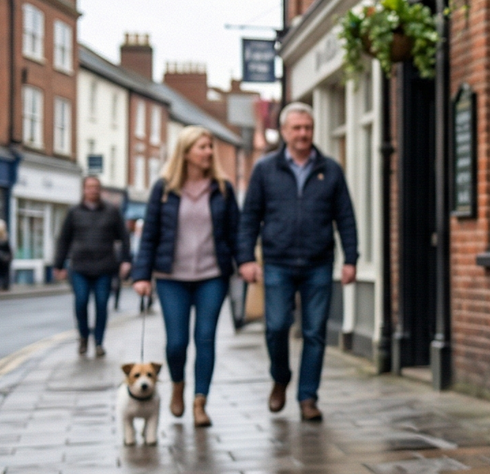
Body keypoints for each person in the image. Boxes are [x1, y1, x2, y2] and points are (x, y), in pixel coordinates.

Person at [236, 103, 357, 422]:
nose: (303, 133)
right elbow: (250, 217)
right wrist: (246, 257)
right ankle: (280, 377)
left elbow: (345, 217)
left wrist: (351, 259)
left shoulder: (330, 169)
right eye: (297, 128)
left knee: (315, 332)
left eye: (308, 127)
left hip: (319, 262)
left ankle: (308, 397)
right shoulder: (265, 169)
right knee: (276, 327)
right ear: (285, 131)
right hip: (277, 262)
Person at [133, 127, 240, 429]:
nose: (208, 152)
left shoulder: (222, 188)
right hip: (171, 277)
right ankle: (178, 384)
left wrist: (244, 261)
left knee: (205, 337)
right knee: (177, 342)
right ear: (186, 151)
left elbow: (236, 231)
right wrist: (141, 275)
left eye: (210, 147)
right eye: (202, 147)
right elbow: (150, 234)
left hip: (212, 276)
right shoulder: (164, 189)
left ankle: (200, 401)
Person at [53, 177, 130, 357]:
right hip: (79, 267)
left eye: (96, 187)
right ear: (83, 190)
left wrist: (126, 260)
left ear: (100, 189)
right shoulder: (74, 212)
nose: (93, 190)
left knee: (102, 305)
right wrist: (58, 264)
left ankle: (99, 342)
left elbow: (124, 237)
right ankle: (83, 336)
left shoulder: (112, 211)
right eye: (89, 187)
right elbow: (64, 239)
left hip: (104, 267)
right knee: (81, 302)